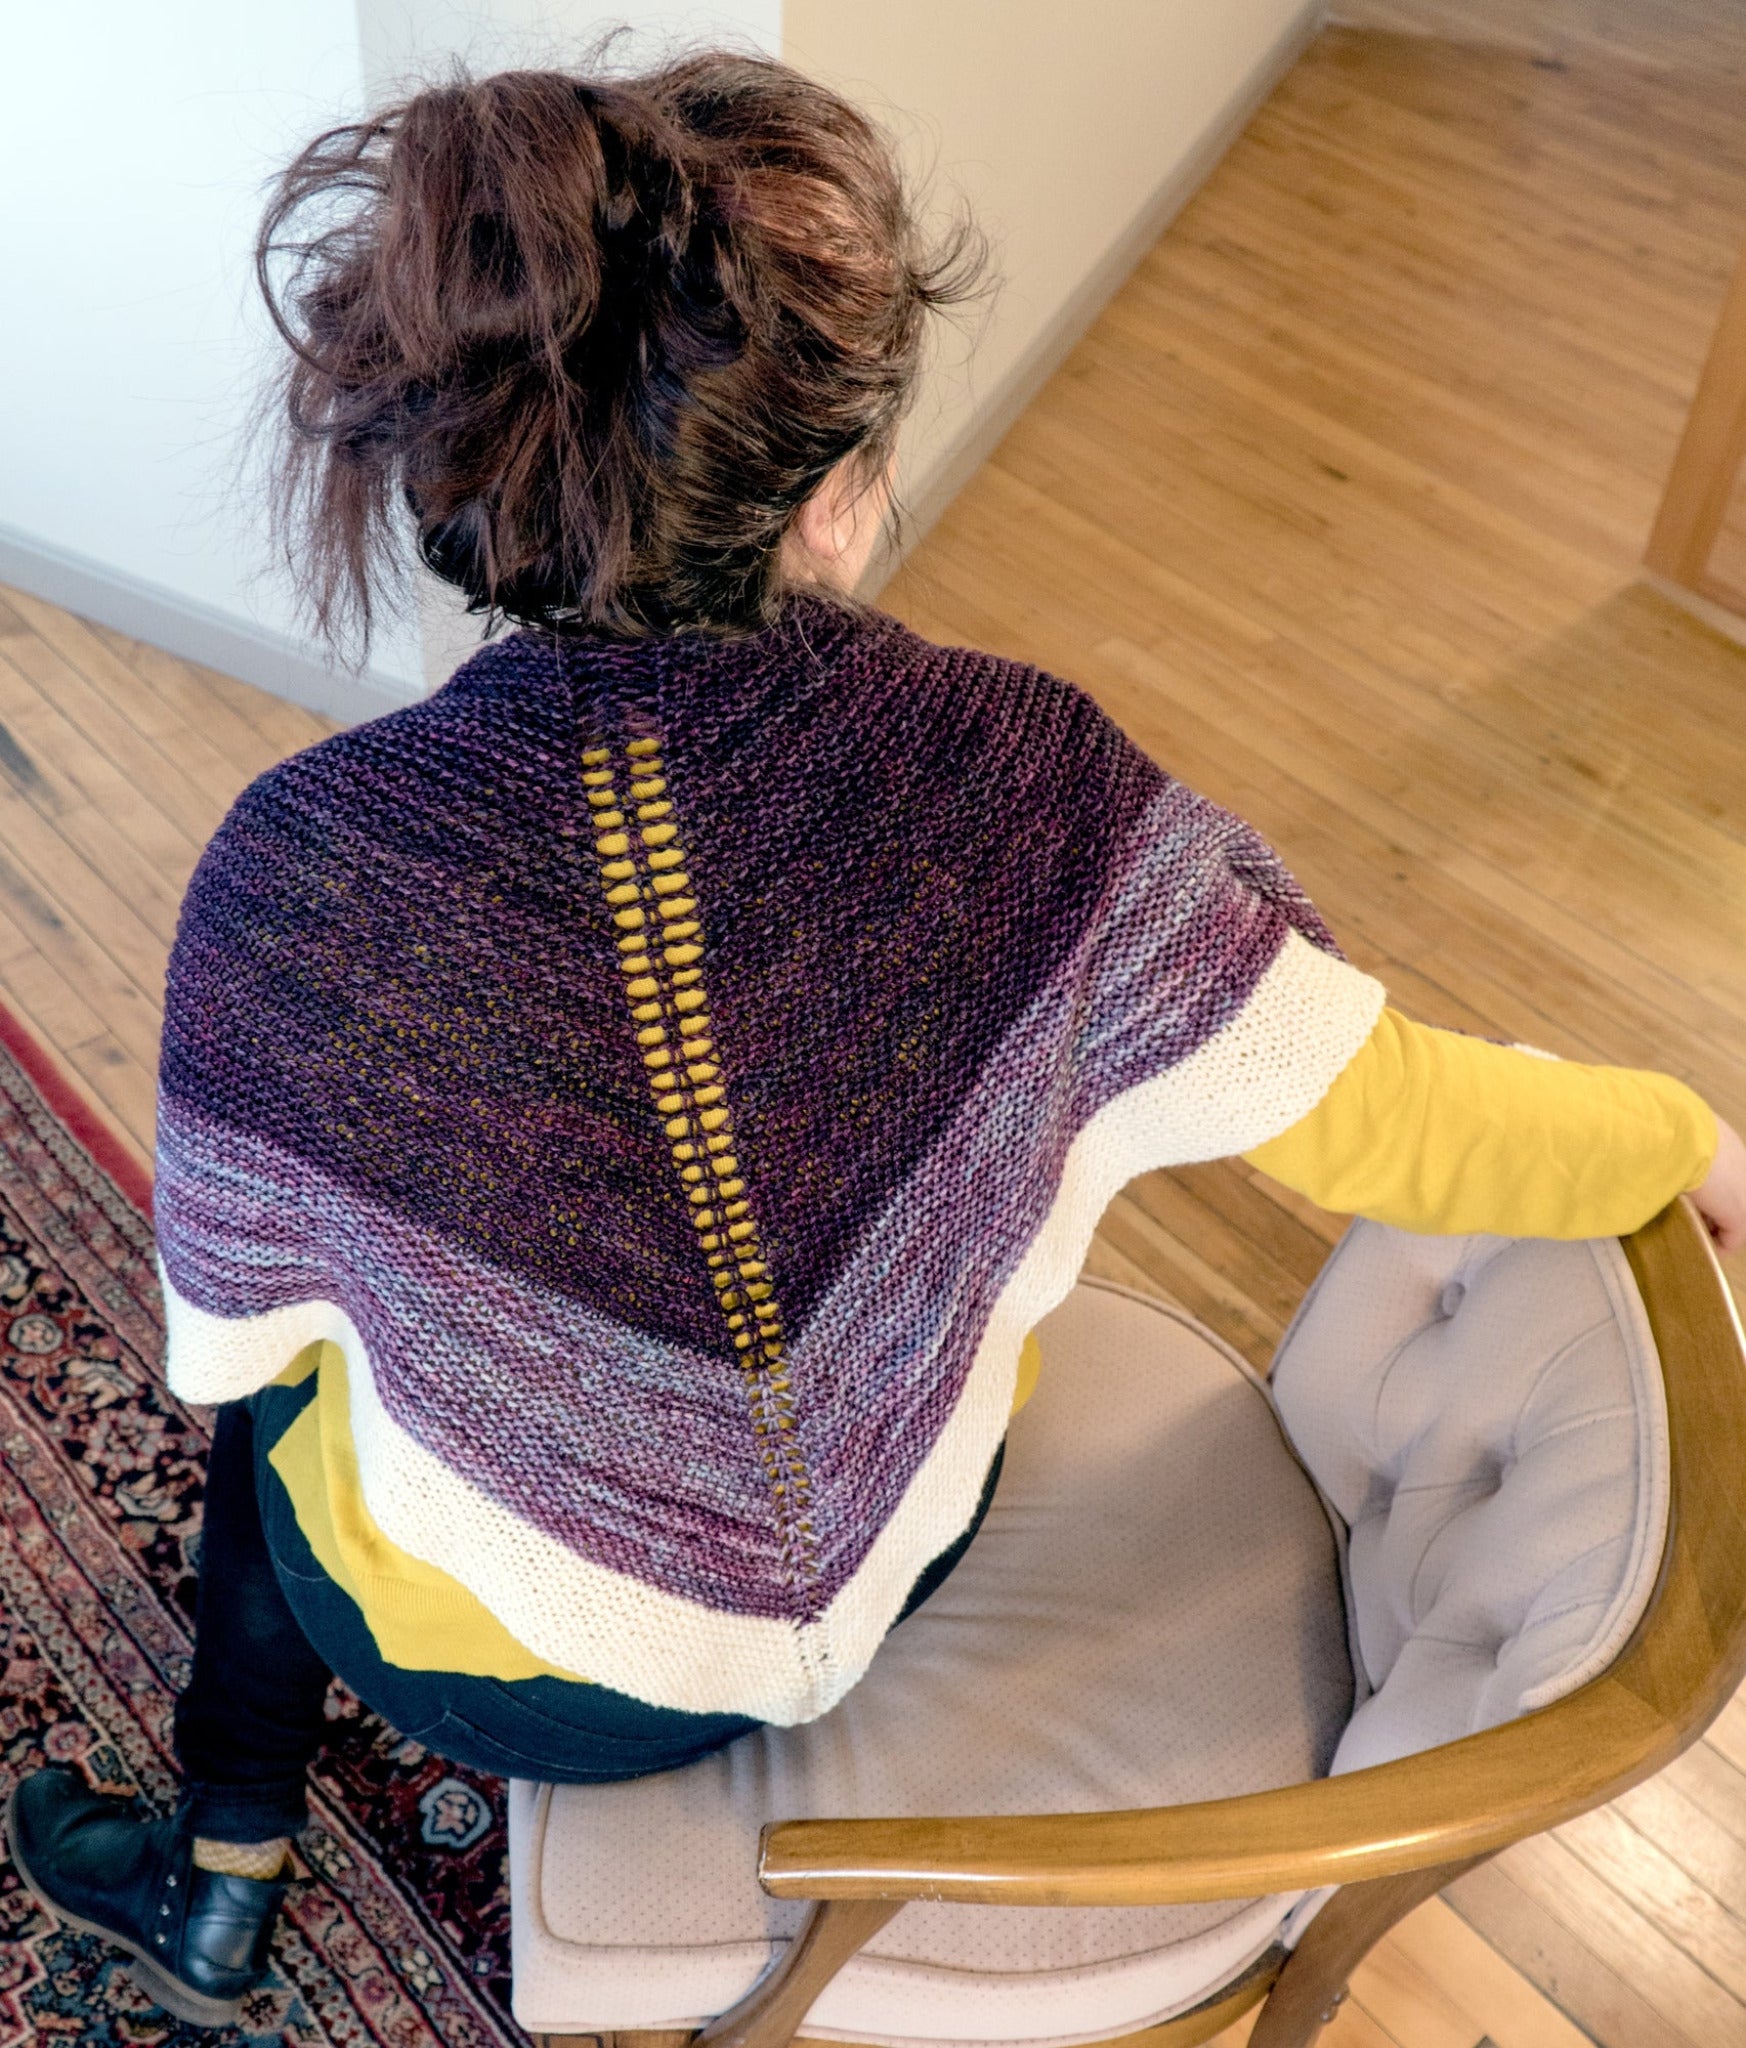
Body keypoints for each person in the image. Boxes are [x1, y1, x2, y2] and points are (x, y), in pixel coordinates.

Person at [7, 50, 1743, 2033]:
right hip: (896, 1552)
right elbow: (1401, 1114)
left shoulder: (294, 871)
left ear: (465, 491)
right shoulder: (1031, 779)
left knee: (270, 1435)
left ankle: (216, 1876)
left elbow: (228, 1317)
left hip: (508, 1684)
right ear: (839, 487)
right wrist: (1683, 1138)